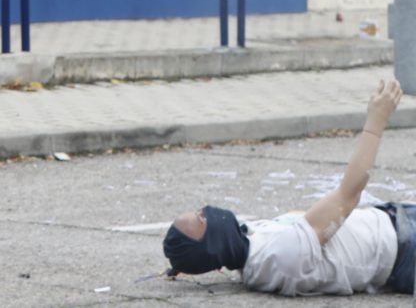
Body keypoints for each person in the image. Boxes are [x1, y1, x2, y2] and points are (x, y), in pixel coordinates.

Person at [162, 78, 413, 296]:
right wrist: (376, 120)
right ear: (212, 245)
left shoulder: (252, 242)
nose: (205, 210)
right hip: (406, 249)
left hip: (395, 220)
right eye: (200, 217)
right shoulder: (278, 255)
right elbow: (348, 195)